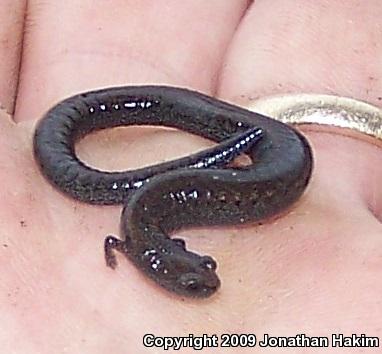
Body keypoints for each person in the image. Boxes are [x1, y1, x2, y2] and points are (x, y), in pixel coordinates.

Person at [1, 1, 381, 353]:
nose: (207, 284)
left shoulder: (139, 221)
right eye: (194, 281)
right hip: (279, 162)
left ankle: (235, 139)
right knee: (230, 134)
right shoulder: (140, 222)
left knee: (227, 133)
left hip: (283, 164)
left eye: (199, 274)